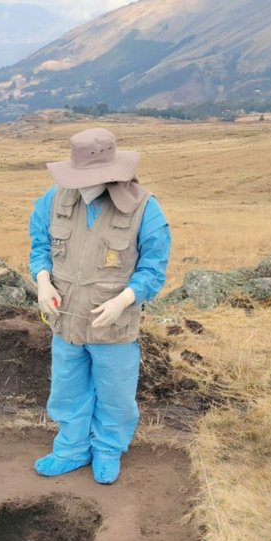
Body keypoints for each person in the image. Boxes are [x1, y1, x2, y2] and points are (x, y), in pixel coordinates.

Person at [29, 128, 171, 485]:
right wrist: (43, 281)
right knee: (67, 390)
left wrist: (125, 300)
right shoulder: (53, 200)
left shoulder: (145, 208)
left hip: (115, 327)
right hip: (65, 322)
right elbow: (39, 245)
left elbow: (153, 268)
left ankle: (108, 450)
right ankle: (71, 449)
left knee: (115, 395)